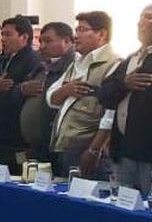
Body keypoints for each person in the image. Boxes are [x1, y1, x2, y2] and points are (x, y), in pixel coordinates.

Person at [47, 11, 121, 177]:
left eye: (82, 29)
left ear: (102, 34)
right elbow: (51, 98)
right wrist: (66, 90)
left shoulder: (113, 64)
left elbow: (111, 113)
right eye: (76, 29)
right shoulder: (77, 62)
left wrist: (94, 150)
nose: (76, 35)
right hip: (66, 146)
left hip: (89, 151)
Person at [99, 3, 152, 194]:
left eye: (149, 18)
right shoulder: (132, 59)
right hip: (124, 153)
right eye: (141, 17)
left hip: (148, 156)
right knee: (122, 210)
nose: (142, 23)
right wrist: (124, 84)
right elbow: (104, 95)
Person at [0, 15, 42, 171]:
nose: (3, 39)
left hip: (17, 140)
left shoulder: (34, 62)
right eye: (2, 34)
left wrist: (17, 90)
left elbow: (30, 95)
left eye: (8, 34)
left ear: (24, 37)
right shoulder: (0, 61)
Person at [23, 22, 75, 162]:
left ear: (68, 41)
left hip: (56, 145)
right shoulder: (41, 66)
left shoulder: (74, 67)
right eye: (41, 41)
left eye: (48, 41)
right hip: (35, 145)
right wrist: (22, 89)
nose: (42, 46)